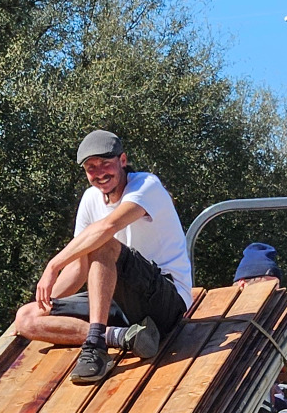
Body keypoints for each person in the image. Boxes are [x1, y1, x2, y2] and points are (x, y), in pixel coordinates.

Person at [15, 129, 194, 385]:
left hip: (166, 301)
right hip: (118, 302)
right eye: (91, 168)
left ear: (123, 160)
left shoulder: (147, 185)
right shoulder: (90, 199)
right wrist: (46, 304)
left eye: (105, 163)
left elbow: (107, 228)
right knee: (26, 317)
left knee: (103, 243)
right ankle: (121, 336)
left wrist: (53, 266)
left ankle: (96, 347)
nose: (99, 173)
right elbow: (79, 268)